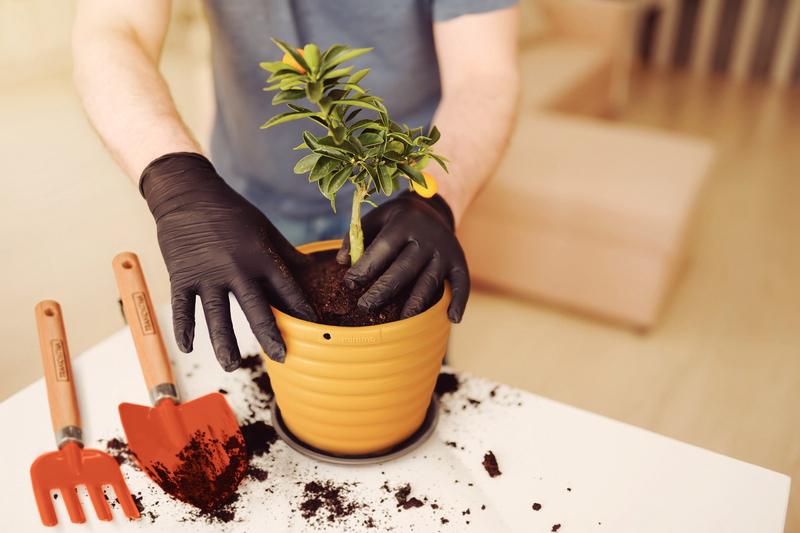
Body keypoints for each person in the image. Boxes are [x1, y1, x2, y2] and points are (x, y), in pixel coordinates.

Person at [72, 0, 520, 371]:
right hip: (240, 201)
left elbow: (484, 74)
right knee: (265, 371)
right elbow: (113, 24)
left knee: (402, 376)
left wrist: (436, 198)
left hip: (403, 200)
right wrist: (176, 180)